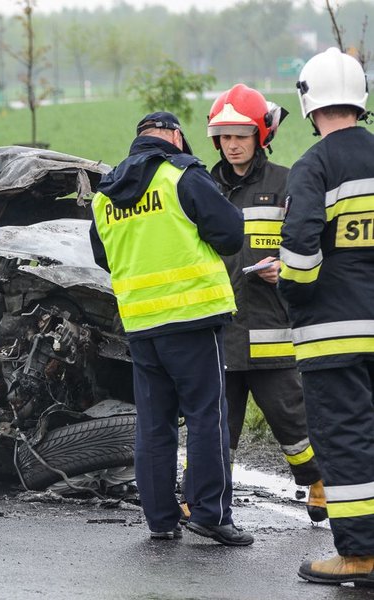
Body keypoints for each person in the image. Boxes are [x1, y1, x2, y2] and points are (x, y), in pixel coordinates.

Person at [90, 111, 253, 546]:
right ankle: (211, 514)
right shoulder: (180, 174)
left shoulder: (105, 194)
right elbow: (231, 234)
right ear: (176, 137)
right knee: (206, 415)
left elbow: (103, 257)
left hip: (141, 324)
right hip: (193, 318)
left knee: (154, 424)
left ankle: (161, 520)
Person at [206, 84, 326, 522]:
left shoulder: (286, 182)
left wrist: (285, 269)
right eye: (225, 136)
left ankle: (316, 481)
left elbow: (312, 242)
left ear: (261, 136)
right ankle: (205, 499)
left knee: (291, 421)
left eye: (241, 135)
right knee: (218, 425)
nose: (232, 145)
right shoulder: (202, 186)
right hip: (220, 328)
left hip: (272, 327)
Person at [279, 47, 374, 585]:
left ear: (310, 102)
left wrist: (291, 288)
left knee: (345, 441)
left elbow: (300, 248)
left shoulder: (314, 165)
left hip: (333, 337)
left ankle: (360, 556)